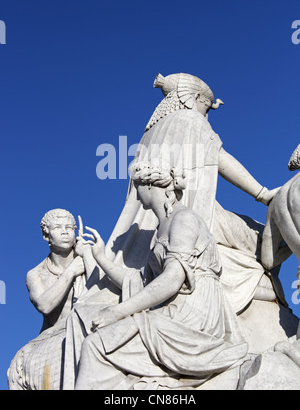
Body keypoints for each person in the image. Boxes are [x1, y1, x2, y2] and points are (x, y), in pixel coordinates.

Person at [74, 163, 248, 390]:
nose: (135, 193)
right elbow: (138, 282)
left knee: (96, 345)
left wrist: (117, 311)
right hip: (172, 306)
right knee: (85, 323)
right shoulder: (161, 228)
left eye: (136, 187)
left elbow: (173, 279)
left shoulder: (183, 219)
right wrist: (100, 258)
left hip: (192, 313)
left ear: (148, 186)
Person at [8, 209, 98, 390]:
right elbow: (45, 305)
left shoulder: (88, 256)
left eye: (69, 227)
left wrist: (88, 255)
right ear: (46, 235)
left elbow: (103, 289)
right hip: (53, 333)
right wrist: (72, 270)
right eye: (57, 227)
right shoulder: (36, 274)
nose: (65, 232)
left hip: (89, 324)